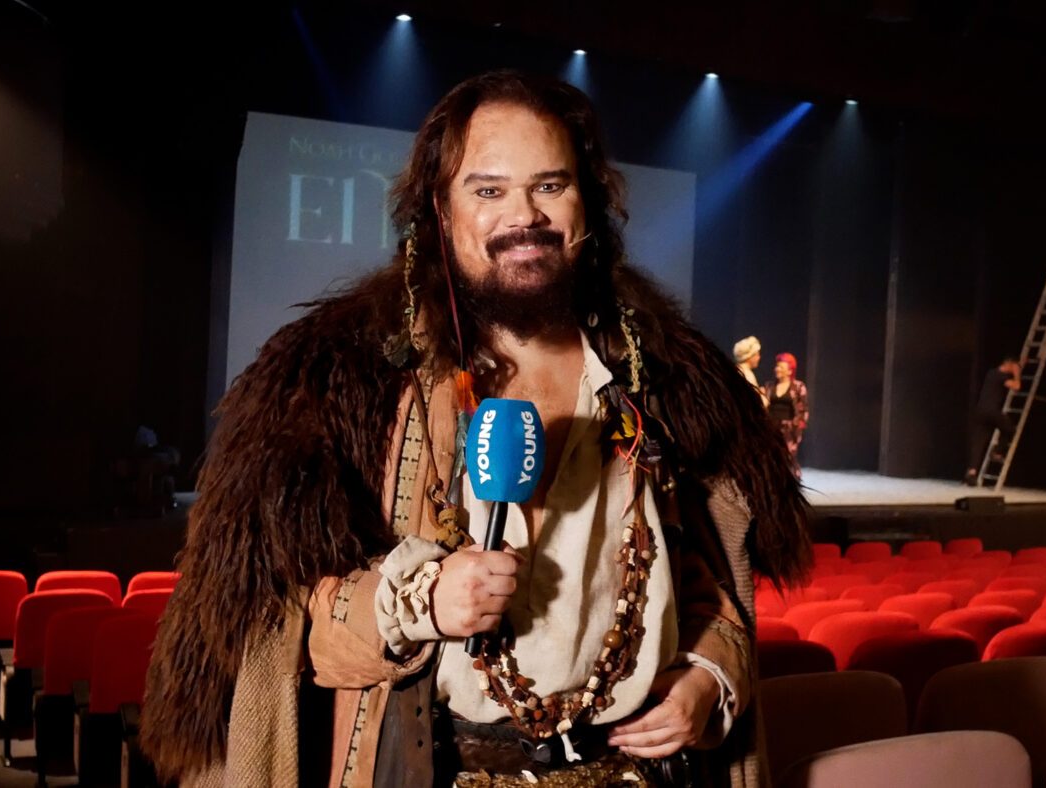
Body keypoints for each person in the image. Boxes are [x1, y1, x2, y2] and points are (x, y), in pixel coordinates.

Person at [140, 71, 810, 788]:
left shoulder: (660, 377)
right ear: (439, 209)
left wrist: (709, 677)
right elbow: (299, 633)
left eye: (550, 186)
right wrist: (422, 600)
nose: (524, 215)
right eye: (488, 190)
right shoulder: (354, 378)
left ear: (588, 200)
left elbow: (709, 590)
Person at [964, 356, 1021, 485]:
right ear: (1009, 364)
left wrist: (1020, 362)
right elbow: (1017, 386)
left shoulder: (991, 373)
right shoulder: (1001, 376)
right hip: (991, 412)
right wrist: (1017, 374)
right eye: (1013, 366)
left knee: (979, 442)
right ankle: (998, 451)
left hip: (981, 411)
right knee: (1010, 429)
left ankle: (971, 475)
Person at [762, 352, 808, 476]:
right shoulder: (769, 386)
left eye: (781, 367)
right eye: (777, 366)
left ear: (789, 370)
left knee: (788, 458)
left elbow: (802, 409)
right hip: (772, 426)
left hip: (789, 429)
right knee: (770, 457)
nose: (777, 369)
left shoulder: (798, 387)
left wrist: (797, 427)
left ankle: (792, 482)